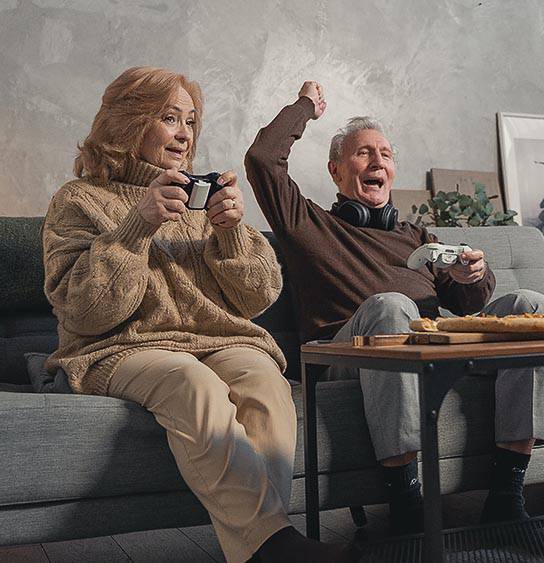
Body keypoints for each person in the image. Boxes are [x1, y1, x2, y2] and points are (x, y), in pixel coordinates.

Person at [245, 81, 544, 556]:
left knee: (532, 308)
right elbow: (262, 160)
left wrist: (471, 274)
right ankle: (407, 510)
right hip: (345, 353)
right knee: (391, 305)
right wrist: (304, 107)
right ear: (337, 171)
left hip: (429, 343)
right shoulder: (308, 223)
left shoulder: (415, 237)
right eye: (363, 153)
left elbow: (466, 308)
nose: (378, 161)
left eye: (385, 153)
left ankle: (507, 498)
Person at [43, 67, 356, 563]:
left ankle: (266, 548)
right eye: (169, 118)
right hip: (119, 348)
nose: (185, 133)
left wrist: (230, 233)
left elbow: (259, 297)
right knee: (190, 381)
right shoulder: (79, 200)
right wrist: (136, 226)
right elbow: (87, 311)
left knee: (265, 379)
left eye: (190, 120)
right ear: (129, 123)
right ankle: (273, 547)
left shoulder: (201, 200)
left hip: (217, 341)